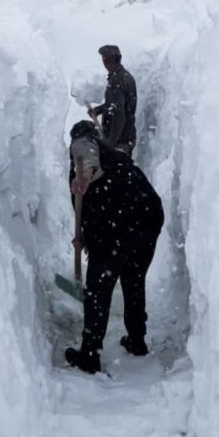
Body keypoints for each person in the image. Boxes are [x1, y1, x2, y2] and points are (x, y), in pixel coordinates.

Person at [65, 121, 164, 375]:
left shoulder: (84, 143)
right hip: (147, 218)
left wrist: (84, 173)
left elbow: (85, 155)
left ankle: (89, 355)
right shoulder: (117, 156)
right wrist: (85, 236)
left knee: (98, 290)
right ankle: (136, 340)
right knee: (133, 278)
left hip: (116, 226)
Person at [88, 45, 137, 157]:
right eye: (104, 60)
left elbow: (118, 115)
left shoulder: (117, 81)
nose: (105, 64)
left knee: (117, 173)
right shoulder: (125, 76)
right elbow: (116, 104)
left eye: (107, 60)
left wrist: (111, 143)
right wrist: (98, 110)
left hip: (120, 141)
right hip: (127, 137)